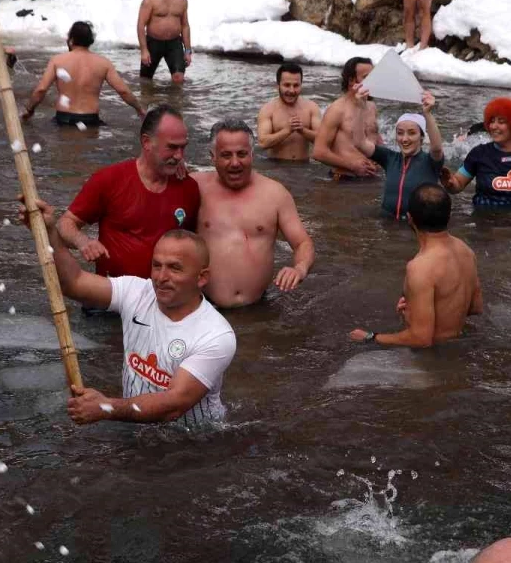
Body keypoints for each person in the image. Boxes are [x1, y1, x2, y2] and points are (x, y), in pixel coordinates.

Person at [21, 198, 236, 428]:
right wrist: (50, 232)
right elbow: (74, 282)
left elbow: (173, 405)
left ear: (202, 277)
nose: (161, 277)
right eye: (156, 265)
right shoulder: (136, 292)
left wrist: (106, 407)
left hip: (193, 442)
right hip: (134, 424)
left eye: (175, 268)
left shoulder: (216, 335)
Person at [58, 105, 201, 279]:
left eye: (182, 148)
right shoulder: (109, 179)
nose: (179, 156)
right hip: (112, 297)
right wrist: (84, 242)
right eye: (171, 147)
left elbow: (196, 245)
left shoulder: (188, 187)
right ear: (146, 142)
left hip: (164, 296)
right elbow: (65, 224)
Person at [191, 120, 315, 308]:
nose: (235, 163)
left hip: (259, 309)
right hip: (204, 307)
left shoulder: (275, 194)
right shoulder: (194, 187)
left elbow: (302, 243)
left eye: (242, 154)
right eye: (226, 155)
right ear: (212, 157)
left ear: (252, 154)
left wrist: (299, 269)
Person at [348, 185, 481, 347]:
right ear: (449, 215)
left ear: (410, 218)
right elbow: (475, 307)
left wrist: (370, 337)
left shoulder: (420, 268)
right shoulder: (466, 251)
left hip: (433, 359)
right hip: (459, 349)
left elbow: (420, 339)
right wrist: (415, 310)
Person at [22, 20, 145, 127]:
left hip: (63, 119)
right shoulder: (103, 63)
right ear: (90, 40)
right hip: (90, 119)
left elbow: (41, 90)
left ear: (71, 40)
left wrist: (29, 109)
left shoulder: (57, 60)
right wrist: (139, 109)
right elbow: (123, 91)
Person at [349, 85, 445, 220]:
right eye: (400, 133)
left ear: (422, 137)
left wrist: (427, 113)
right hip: (387, 224)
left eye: (412, 133)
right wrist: (359, 107)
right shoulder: (390, 158)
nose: (405, 139)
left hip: (416, 227)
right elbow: (359, 143)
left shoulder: (430, 162)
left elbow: (437, 149)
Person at [313, 57, 381, 180]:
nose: (372, 82)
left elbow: (376, 139)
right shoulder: (337, 109)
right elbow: (318, 152)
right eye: (366, 77)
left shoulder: (371, 107)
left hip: (371, 180)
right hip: (344, 180)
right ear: (351, 80)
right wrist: (352, 166)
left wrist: (381, 159)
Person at [256, 62, 322, 162]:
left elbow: (323, 140)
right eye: (287, 85)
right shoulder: (268, 110)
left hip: (304, 166)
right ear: (277, 86)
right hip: (276, 166)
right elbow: (263, 143)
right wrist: (287, 130)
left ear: (301, 85)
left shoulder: (312, 108)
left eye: (296, 85)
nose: (291, 90)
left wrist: (302, 131)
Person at [137, 0, 191, 85]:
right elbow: (141, 25)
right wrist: (144, 51)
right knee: (145, 81)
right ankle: (146, 101)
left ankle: (175, 103)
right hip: (154, 43)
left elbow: (185, 25)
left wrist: (187, 50)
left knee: (178, 79)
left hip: (174, 44)